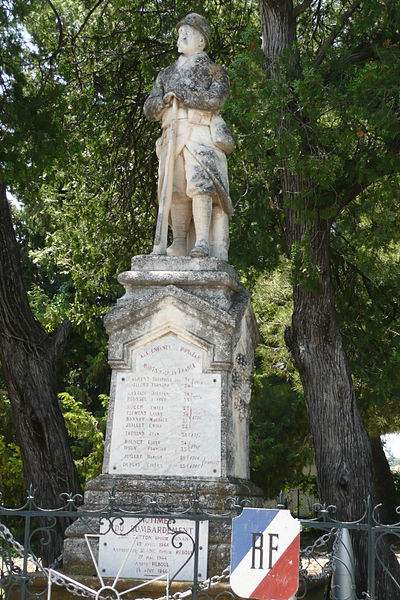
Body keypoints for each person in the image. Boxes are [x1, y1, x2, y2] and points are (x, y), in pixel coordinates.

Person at [144, 13, 234, 260]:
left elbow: (216, 99)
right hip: (172, 133)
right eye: (180, 32)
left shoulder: (215, 71)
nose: (181, 36)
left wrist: (185, 95)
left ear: (202, 41)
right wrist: (163, 100)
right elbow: (148, 108)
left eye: (188, 32)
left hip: (200, 132)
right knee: (175, 188)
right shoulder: (166, 73)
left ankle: (203, 241)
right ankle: (179, 241)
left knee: (200, 185)